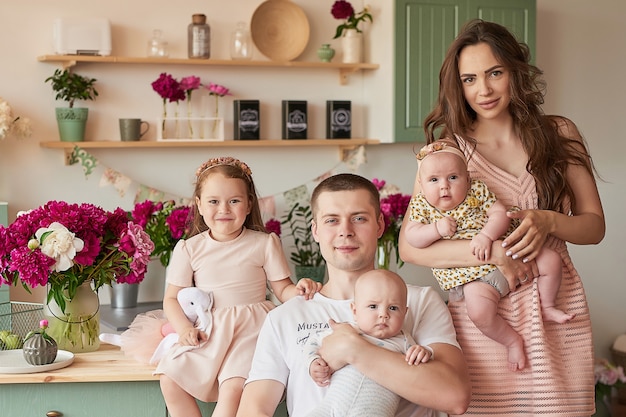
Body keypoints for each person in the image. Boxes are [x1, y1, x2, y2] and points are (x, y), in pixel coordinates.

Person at [398, 20, 605, 416]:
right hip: (483, 318)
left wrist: (548, 221)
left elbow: (594, 225)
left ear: (515, 71)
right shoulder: (447, 152)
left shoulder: (559, 132)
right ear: (458, 86)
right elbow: (412, 247)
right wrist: (492, 253)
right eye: (470, 78)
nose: (484, 90)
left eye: (495, 73)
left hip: (553, 304)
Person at [237, 173, 470, 417]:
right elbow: (255, 409)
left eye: (358, 218)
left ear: (380, 225)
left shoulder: (419, 301)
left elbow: (454, 397)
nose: (345, 231)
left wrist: (353, 348)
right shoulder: (285, 316)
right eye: (332, 221)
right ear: (315, 230)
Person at [155, 156, 321, 417]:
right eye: (213, 201)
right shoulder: (189, 248)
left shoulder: (264, 243)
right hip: (209, 330)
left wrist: (299, 289)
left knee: (233, 388)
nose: (224, 209)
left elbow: (282, 289)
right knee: (169, 378)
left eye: (234, 201)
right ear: (198, 204)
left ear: (249, 204)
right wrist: (185, 328)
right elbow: (171, 299)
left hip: (252, 329)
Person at [404, 140, 572, 371]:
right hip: (471, 274)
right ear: (422, 185)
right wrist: (435, 229)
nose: (444, 186)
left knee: (551, 259)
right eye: (434, 180)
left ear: (467, 178)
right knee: (480, 313)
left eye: (453, 177)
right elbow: (412, 238)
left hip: (508, 248)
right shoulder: (422, 205)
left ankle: (548, 304)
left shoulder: (477, 191)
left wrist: (486, 236)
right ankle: (511, 340)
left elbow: (500, 214)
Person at [305, 269, 433, 417]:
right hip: (330, 407)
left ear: (404, 313)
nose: (383, 314)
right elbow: (313, 342)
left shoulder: (405, 341)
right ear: (355, 310)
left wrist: (424, 353)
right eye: (373, 306)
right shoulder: (345, 330)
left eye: (393, 308)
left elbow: (420, 372)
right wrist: (312, 362)